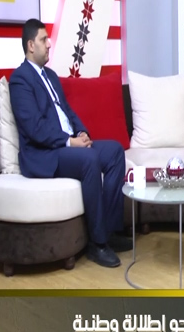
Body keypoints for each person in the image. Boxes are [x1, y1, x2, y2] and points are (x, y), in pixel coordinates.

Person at [9, 19, 130, 268]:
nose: (49, 44)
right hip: (45, 153)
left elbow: (67, 112)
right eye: (44, 40)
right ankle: (97, 244)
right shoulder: (20, 80)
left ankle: (110, 231)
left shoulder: (51, 77)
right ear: (31, 45)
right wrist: (69, 141)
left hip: (68, 145)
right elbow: (34, 128)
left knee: (115, 151)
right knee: (89, 159)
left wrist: (81, 132)